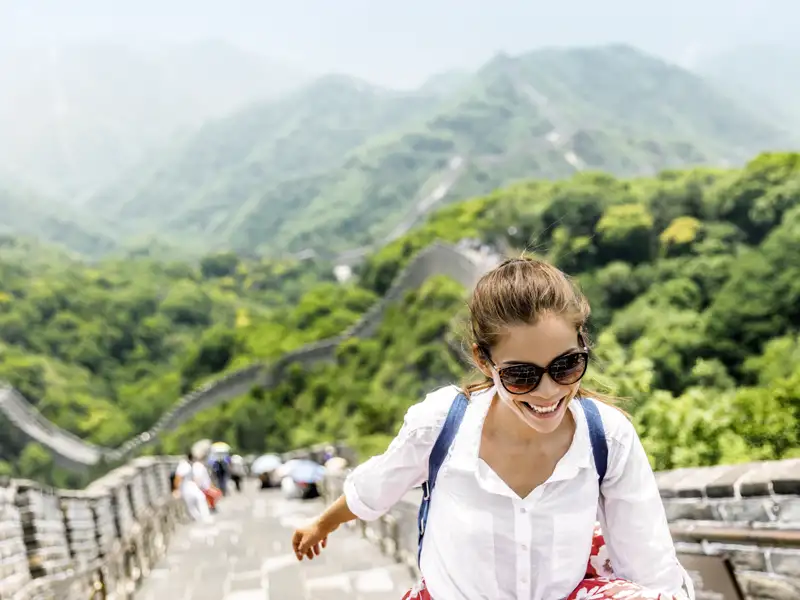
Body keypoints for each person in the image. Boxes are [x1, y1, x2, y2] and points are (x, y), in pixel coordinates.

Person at [292, 256, 696, 600]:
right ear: (484, 362)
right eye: (522, 375)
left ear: (582, 346)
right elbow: (374, 489)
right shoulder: (442, 424)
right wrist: (321, 524)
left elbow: (649, 564)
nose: (548, 391)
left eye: (566, 365)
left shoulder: (606, 437)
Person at [173, 450, 211, 523]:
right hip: (185, 486)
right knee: (192, 504)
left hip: (191, 485)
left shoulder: (191, 465)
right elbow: (178, 478)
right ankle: (199, 518)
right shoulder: (183, 465)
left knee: (200, 498)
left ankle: (203, 517)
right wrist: (176, 489)